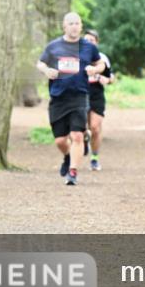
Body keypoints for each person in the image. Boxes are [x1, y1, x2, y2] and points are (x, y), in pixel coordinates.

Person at [36, 12, 104, 186]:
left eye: (77, 23)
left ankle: (73, 172)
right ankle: (67, 156)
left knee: (77, 135)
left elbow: (100, 64)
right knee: (60, 140)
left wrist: (94, 70)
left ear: (81, 26)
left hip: (79, 96)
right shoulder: (54, 46)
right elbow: (40, 63)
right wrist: (46, 71)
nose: (74, 26)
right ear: (64, 26)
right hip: (58, 97)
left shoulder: (88, 46)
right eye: (71, 23)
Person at [83, 29, 114, 171]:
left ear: (97, 42)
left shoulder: (102, 58)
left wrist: (105, 80)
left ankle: (94, 158)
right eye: (86, 40)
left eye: (92, 40)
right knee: (81, 128)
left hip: (96, 94)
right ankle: (82, 141)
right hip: (80, 93)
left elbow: (111, 77)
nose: (89, 43)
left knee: (95, 127)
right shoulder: (78, 56)